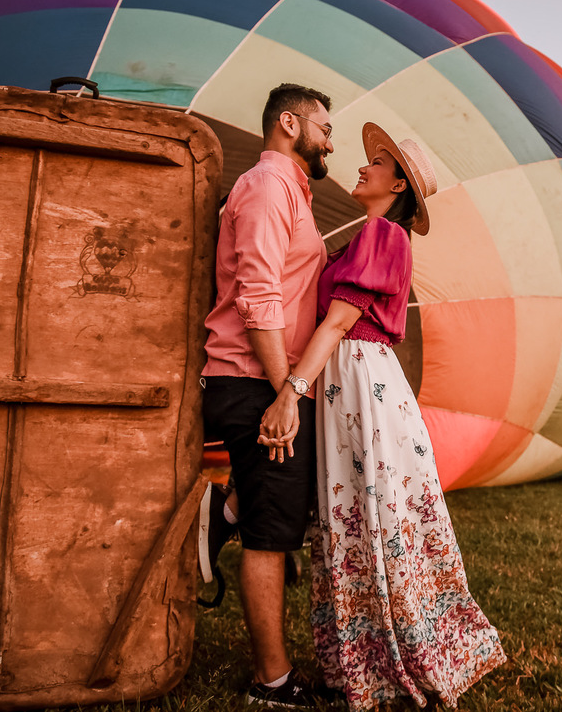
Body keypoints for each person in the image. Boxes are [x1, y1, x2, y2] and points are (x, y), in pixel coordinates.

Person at [261, 123, 507, 710]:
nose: (363, 166)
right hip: (347, 381)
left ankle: (393, 654)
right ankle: (363, 658)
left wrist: (290, 390)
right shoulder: (365, 238)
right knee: (356, 511)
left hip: (360, 382)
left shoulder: (384, 235)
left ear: (397, 185)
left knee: (371, 510)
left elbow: (339, 322)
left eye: (376, 162)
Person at [198, 82, 334, 708]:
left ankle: (221, 511)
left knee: (284, 508)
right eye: (325, 129)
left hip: (264, 381)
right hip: (256, 381)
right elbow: (258, 295)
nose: (330, 142)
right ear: (290, 123)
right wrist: (287, 392)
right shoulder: (267, 186)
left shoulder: (290, 191)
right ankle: (272, 682)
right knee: (272, 534)